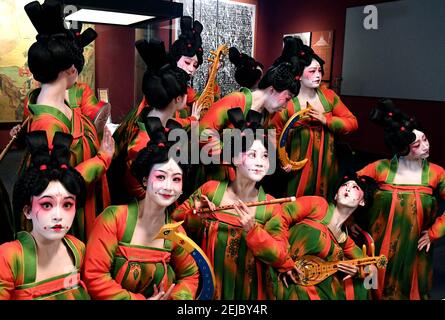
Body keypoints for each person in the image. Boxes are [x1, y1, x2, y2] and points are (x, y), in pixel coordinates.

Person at [172, 108, 290, 299]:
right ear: (234, 158)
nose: (260, 162)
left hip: (249, 293)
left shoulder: (271, 206)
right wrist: (196, 216)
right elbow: (174, 224)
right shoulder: (211, 191)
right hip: (209, 287)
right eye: (252, 155)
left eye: (265, 156)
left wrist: (254, 230)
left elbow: (281, 255)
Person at [21, 0, 114, 242]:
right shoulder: (48, 123)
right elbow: (59, 184)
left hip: (86, 199)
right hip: (69, 213)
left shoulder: (59, 104)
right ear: (71, 69)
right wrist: (103, 157)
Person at [83, 117, 199, 300]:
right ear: (145, 180)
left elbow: (190, 275)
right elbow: (94, 277)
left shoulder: (176, 233)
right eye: (161, 177)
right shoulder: (114, 219)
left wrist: (176, 298)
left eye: (176, 179)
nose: (168, 186)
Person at [354, 99, 445, 299]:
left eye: (426, 139)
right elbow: (349, 188)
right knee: (372, 284)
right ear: (402, 148)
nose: (425, 146)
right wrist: (352, 221)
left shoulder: (437, 173)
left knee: (412, 288)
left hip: (415, 246)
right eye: (416, 144)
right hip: (378, 245)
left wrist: (434, 232)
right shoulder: (379, 168)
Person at [0, 131, 89, 300]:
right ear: (27, 211)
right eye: (47, 204)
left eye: (67, 204)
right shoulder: (9, 258)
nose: (58, 216)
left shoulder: (77, 250)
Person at [271, 36, 358, 201]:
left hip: (328, 161)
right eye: (312, 71)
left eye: (319, 71)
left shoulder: (329, 96)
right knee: (296, 200)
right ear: (298, 75)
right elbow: (273, 133)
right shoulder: (287, 101)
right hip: (297, 164)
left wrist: (327, 120)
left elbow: (352, 122)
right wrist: (282, 160)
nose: (318, 75)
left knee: (325, 199)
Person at [109, 39, 194, 204]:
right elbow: (135, 188)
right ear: (178, 99)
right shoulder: (142, 141)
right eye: (186, 92)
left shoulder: (155, 122)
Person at [274, 173, 377, 300]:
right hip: (277, 271)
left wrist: (358, 272)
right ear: (335, 195)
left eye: (355, 187)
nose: (348, 188)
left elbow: (373, 270)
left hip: (308, 288)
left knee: (361, 286)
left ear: (362, 202)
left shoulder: (344, 240)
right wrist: (283, 259)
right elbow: (280, 215)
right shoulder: (319, 205)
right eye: (344, 185)